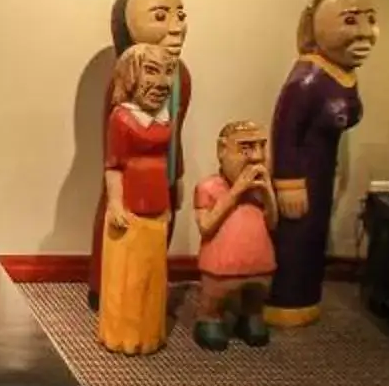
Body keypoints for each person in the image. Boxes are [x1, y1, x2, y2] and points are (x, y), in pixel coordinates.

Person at [268, 0, 379, 327]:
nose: (365, 33)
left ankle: (305, 297)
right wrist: (288, 183)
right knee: (297, 236)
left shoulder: (341, 72)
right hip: (302, 174)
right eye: (350, 21)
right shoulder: (307, 81)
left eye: (370, 20)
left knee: (315, 235)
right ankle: (285, 301)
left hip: (322, 170)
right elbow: (285, 131)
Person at [98, 44, 176, 355]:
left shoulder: (164, 118)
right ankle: (123, 334)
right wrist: (115, 204)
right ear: (131, 75)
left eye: (167, 73)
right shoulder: (122, 118)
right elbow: (113, 165)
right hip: (129, 206)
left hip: (156, 203)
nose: (161, 83)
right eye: (152, 71)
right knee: (128, 277)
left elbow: (163, 163)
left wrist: (168, 203)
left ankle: (148, 332)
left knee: (152, 274)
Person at [191, 120, 279, 349]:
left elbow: (272, 222)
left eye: (262, 147)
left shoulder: (260, 188)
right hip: (221, 265)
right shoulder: (208, 188)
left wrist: (268, 192)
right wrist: (237, 190)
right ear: (222, 150)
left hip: (259, 261)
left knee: (256, 297)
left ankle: (250, 317)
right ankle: (210, 317)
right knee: (215, 296)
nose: (257, 158)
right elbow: (206, 225)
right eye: (247, 148)